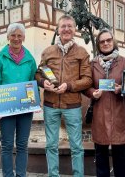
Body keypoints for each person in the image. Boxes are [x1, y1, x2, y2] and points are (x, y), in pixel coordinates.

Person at [35, 14, 92, 177]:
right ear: (58, 30)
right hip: (50, 106)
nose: (66, 29)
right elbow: (38, 73)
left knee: (77, 146)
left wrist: (69, 86)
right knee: (51, 145)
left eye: (69, 26)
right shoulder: (48, 52)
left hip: (72, 106)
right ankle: (53, 175)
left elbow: (87, 80)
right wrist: (42, 83)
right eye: (63, 26)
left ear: (74, 30)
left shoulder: (82, 52)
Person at [0, 23, 37, 177]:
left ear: (24, 37)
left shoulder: (29, 59)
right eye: (13, 35)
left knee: (22, 145)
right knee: (7, 145)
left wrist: (36, 103)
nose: (16, 38)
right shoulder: (0, 58)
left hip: (25, 109)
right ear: (8, 37)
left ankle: (21, 175)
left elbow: (33, 82)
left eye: (19, 35)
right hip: (5, 109)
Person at [84, 29, 125, 177]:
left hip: (119, 113)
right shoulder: (92, 64)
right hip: (100, 113)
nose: (106, 43)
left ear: (114, 42)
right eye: (102, 41)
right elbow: (86, 86)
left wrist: (122, 89)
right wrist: (92, 92)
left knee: (120, 155)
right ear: (98, 44)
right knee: (101, 156)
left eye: (108, 40)